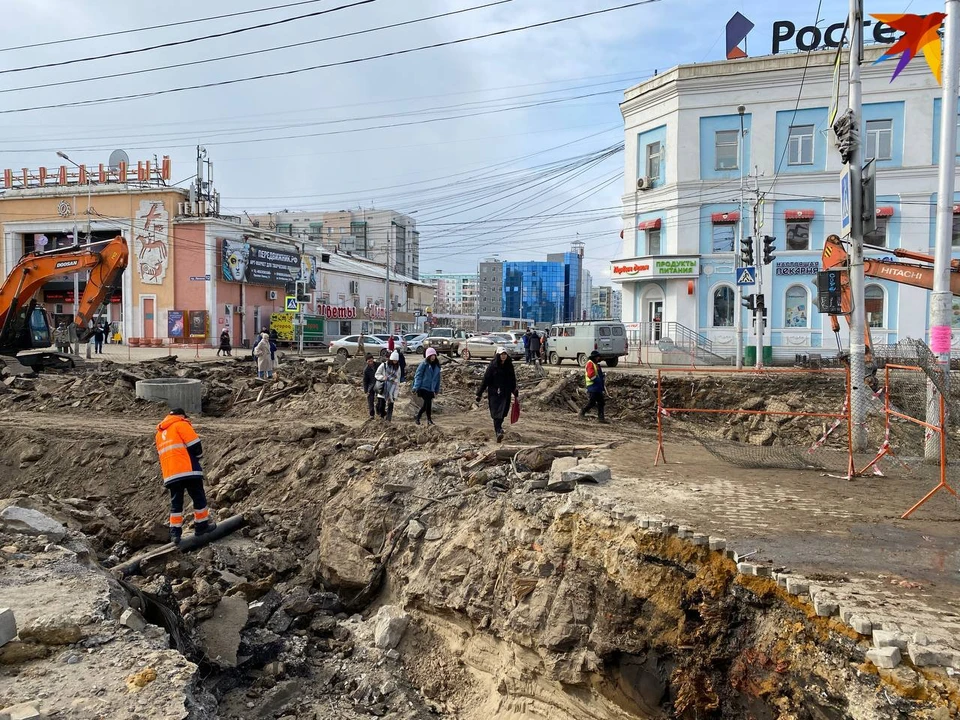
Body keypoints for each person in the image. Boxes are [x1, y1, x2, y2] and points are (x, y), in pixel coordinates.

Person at [155, 407, 215, 545]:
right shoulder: (181, 424)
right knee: (198, 497)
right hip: (188, 470)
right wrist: (198, 458)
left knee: (176, 504)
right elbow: (195, 445)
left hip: (171, 474)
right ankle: (201, 527)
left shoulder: (160, 433)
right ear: (182, 415)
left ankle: (175, 534)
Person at [476, 346, 518, 443]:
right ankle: (498, 431)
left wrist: (514, 389)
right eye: (501, 355)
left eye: (504, 354)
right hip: (494, 392)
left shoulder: (509, 365)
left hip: (505, 392)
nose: (503, 356)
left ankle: (499, 428)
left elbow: (512, 379)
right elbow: (485, 380)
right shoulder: (492, 366)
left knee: (503, 412)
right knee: (496, 413)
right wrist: (479, 393)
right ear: (498, 355)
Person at [413, 347, 441, 426]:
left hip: (431, 388)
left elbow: (438, 379)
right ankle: (429, 420)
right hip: (423, 387)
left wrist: (436, 390)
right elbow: (418, 376)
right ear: (428, 356)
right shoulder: (424, 364)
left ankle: (418, 418)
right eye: (431, 355)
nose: (433, 357)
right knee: (428, 403)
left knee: (426, 405)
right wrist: (416, 387)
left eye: (434, 355)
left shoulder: (437, 366)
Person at [580, 350, 609, 423]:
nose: (599, 358)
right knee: (593, 402)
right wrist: (598, 380)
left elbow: (596, 374)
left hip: (596, 387)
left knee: (600, 402)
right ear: (595, 357)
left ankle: (601, 418)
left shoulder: (594, 364)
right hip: (593, 386)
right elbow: (591, 375)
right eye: (598, 357)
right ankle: (582, 412)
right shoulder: (590, 363)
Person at [375, 351, 402, 421]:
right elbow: (377, 374)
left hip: (392, 388)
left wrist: (395, 393)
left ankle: (388, 420)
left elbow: (398, 379)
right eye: (394, 360)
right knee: (381, 406)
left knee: (390, 405)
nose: (395, 362)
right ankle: (382, 416)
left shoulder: (398, 368)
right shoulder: (383, 365)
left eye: (396, 360)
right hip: (383, 387)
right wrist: (383, 378)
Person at [362, 353, 377, 418]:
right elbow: (365, 381)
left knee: (380, 399)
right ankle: (372, 414)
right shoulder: (366, 370)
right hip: (371, 386)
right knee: (370, 400)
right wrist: (366, 390)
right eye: (369, 361)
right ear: (366, 362)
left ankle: (380, 412)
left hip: (379, 384)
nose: (371, 362)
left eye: (371, 360)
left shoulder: (378, 365)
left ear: (373, 359)